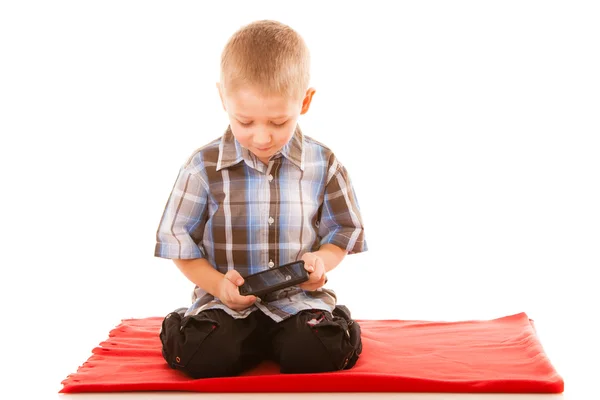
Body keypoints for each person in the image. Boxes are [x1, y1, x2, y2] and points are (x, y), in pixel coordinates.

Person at [155, 19, 367, 379]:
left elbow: (342, 232)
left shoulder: (323, 163)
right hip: (226, 304)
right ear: (223, 98)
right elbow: (180, 245)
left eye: (278, 121)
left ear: (305, 101)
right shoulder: (202, 167)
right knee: (204, 357)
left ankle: (331, 325)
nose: (263, 136)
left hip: (297, 303)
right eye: (245, 120)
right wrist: (218, 285)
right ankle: (198, 330)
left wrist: (320, 262)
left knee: (316, 353)